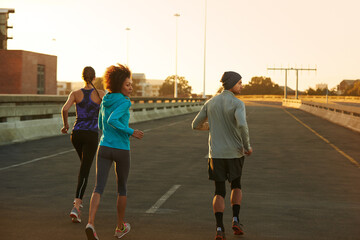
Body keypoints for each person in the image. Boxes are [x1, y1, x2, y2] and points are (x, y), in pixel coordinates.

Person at [85, 64, 144, 240]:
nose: (131, 88)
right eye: (128, 85)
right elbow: (112, 120)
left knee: (98, 187)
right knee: (122, 189)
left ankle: (90, 223)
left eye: (131, 84)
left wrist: (109, 136)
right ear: (119, 85)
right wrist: (131, 131)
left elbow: (101, 125)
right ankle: (119, 227)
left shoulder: (106, 99)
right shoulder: (125, 102)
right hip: (121, 149)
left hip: (104, 147)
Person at [192, 71, 253, 240]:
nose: (241, 85)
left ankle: (219, 229)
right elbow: (242, 125)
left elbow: (195, 125)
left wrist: (212, 127)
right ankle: (235, 220)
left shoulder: (210, 102)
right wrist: (247, 146)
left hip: (216, 154)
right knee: (236, 185)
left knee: (219, 191)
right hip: (235, 153)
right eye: (239, 83)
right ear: (232, 84)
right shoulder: (237, 103)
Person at [61, 66, 105, 223]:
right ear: (94, 78)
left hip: (76, 134)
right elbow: (108, 109)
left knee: (83, 167)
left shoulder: (75, 94)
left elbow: (65, 109)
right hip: (91, 135)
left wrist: (66, 126)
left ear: (82, 77)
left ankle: (78, 207)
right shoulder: (101, 94)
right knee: (85, 170)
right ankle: (76, 207)